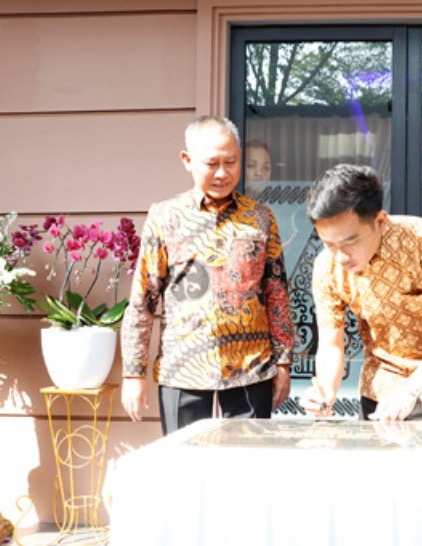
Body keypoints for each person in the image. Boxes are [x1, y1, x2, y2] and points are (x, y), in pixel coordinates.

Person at [120, 115, 295, 434]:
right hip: (183, 367)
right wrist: (133, 373)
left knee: (245, 468)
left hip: (251, 369)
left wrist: (283, 362)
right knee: (183, 469)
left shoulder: (260, 218)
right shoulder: (165, 216)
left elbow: (277, 294)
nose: (222, 173)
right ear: (187, 160)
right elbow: (143, 299)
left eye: (231, 162)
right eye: (211, 163)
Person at [301, 164, 422, 422]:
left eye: (350, 242)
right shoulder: (325, 266)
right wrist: (326, 392)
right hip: (381, 387)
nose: (340, 256)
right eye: (329, 244)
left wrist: (411, 389)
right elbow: (331, 342)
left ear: (381, 221)